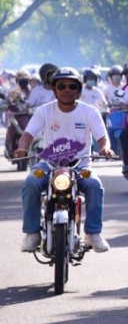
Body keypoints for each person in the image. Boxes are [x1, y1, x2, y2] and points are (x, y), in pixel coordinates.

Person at [16, 67, 114, 253]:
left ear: (78, 89)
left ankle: (93, 233)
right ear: (54, 89)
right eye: (61, 86)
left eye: (72, 86)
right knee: (30, 182)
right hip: (48, 165)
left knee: (95, 185)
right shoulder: (44, 111)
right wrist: (22, 148)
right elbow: (28, 134)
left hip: (80, 167)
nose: (67, 89)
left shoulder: (89, 112)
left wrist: (105, 148)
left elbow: (102, 137)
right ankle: (32, 233)